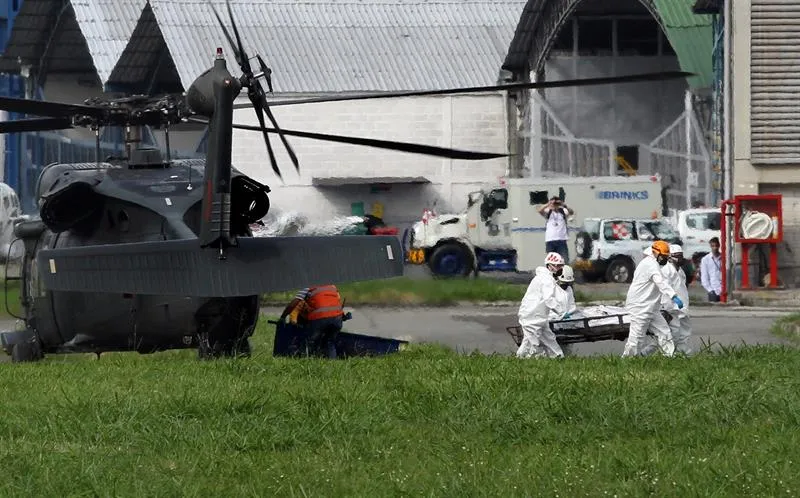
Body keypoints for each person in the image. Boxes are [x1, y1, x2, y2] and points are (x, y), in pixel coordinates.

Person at [621, 240, 683, 358]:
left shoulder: (654, 264)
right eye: (663, 256)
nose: (665, 259)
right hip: (640, 306)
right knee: (637, 337)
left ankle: (669, 356)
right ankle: (627, 360)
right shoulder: (650, 264)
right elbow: (661, 282)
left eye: (666, 257)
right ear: (655, 253)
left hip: (651, 307)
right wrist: (673, 296)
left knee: (664, 332)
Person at [516, 252, 567, 359]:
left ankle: (558, 356)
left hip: (536, 316)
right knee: (533, 345)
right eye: (558, 266)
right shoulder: (546, 280)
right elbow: (548, 299)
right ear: (550, 265)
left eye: (561, 266)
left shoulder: (542, 277)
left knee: (546, 339)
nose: (560, 269)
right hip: (533, 317)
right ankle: (525, 360)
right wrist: (560, 311)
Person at [279, 284, 345, 358]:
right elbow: (338, 301)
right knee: (330, 342)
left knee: (308, 341)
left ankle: (303, 361)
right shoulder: (332, 286)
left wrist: (283, 317)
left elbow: (293, 304)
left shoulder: (308, 286)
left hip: (320, 317)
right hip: (337, 319)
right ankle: (332, 364)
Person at [538, 196, 574, 263]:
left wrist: (563, 205)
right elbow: (540, 210)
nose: (555, 204)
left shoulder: (563, 211)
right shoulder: (549, 211)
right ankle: (552, 272)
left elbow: (571, 212)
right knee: (551, 261)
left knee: (564, 260)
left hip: (561, 240)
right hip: (550, 240)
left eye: (556, 203)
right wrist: (548, 204)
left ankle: (564, 272)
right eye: (554, 203)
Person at [700, 237, 722, 302]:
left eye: (716, 246)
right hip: (713, 290)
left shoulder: (724, 258)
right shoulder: (705, 260)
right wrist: (710, 290)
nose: (715, 248)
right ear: (710, 246)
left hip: (723, 290)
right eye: (713, 246)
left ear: (719, 246)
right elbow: (704, 277)